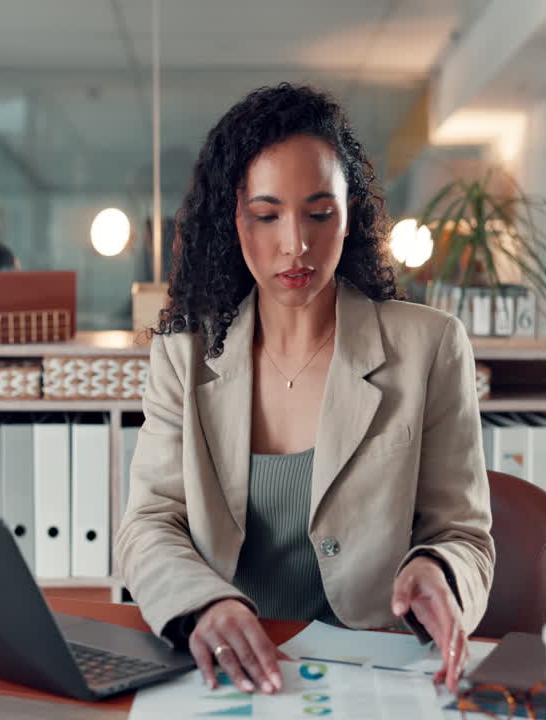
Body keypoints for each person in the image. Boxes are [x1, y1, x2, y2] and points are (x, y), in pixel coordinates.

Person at [115, 84, 493, 697]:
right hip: (231, 675)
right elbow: (149, 523)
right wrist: (204, 604)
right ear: (233, 219)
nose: (296, 244)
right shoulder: (183, 355)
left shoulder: (430, 346)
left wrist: (438, 570)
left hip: (376, 674)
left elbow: (464, 533)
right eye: (267, 215)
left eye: (320, 213)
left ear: (352, 214)